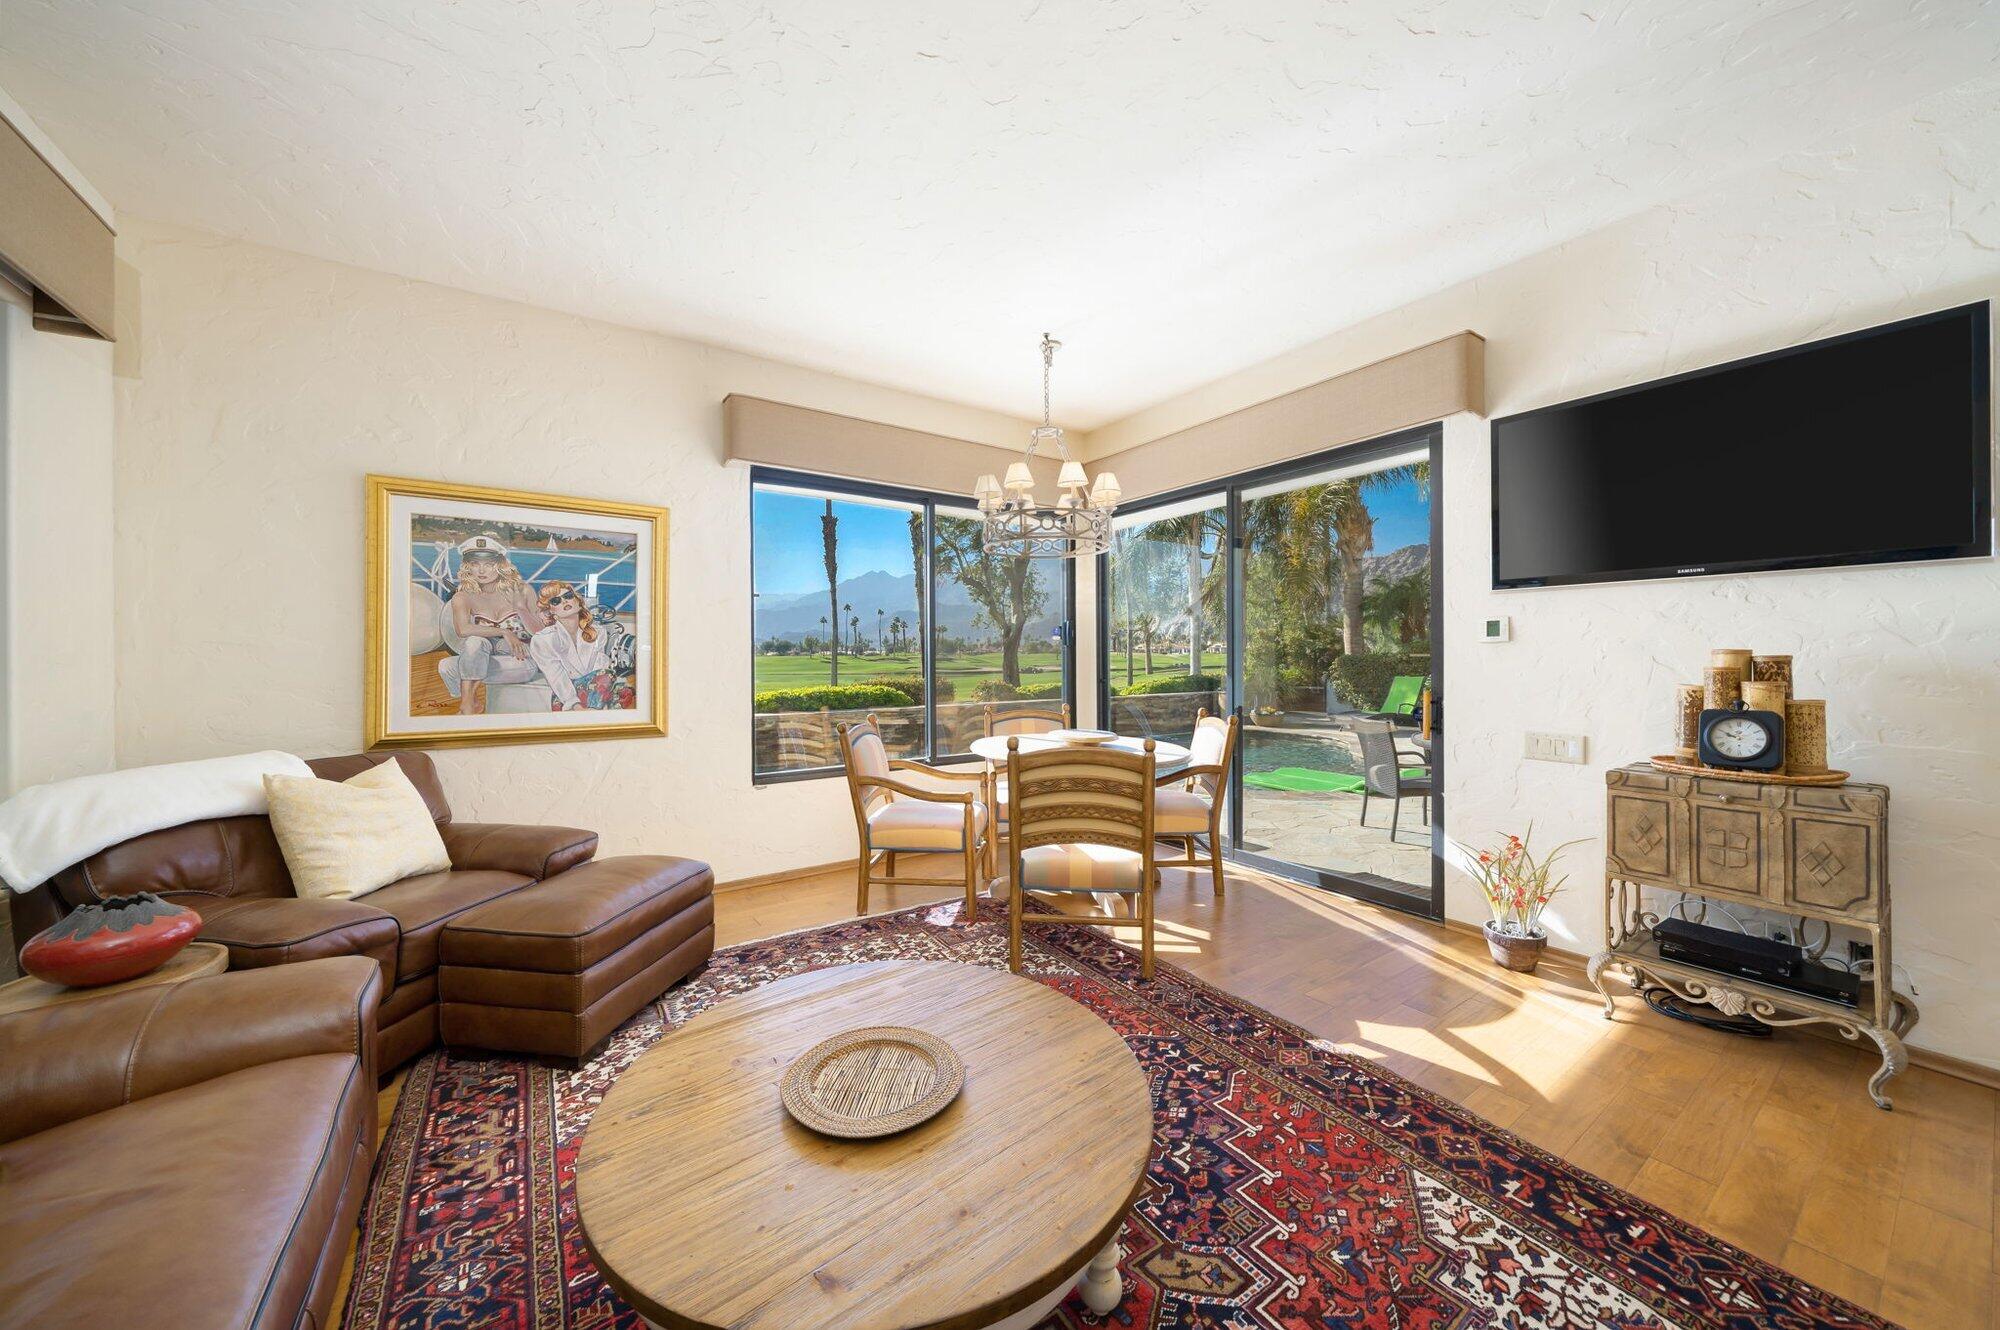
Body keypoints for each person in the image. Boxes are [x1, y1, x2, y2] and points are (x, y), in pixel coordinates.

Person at [438, 534, 546, 714]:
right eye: (475, 564)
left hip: (521, 661)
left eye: (488, 564)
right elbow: (463, 630)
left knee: (455, 667)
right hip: (485, 657)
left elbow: (540, 633)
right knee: (448, 663)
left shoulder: (522, 590)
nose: (481, 570)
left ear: (501, 565)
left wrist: (521, 608)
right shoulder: (462, 596)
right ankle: (469, 702)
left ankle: (468, 703)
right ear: (467, 567)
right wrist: (505, 632)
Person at [529, 580, 636, 711]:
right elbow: (556, 677)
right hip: (567, 699)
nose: (564, 601)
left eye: (568, 596)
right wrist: (576, 706)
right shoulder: (543, 640)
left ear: (578, 602)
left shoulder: (598, 632)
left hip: (595, 691)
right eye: (556, 601)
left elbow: (599, 668)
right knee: (606, 676)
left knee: (626, 692)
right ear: (551, 612)